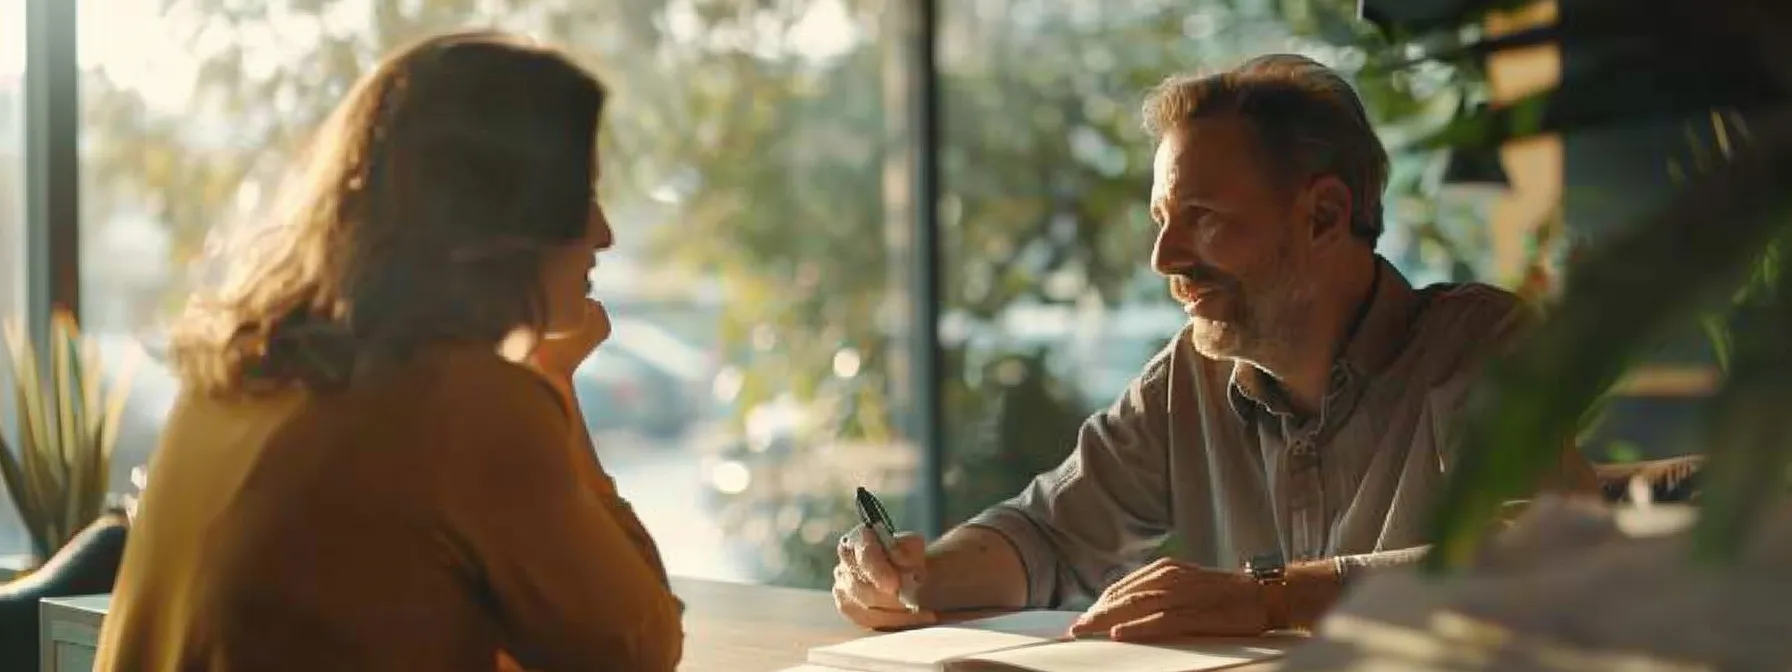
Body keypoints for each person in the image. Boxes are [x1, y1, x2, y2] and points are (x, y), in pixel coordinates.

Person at [832, 54, 1598, 640]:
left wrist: (1269, 596)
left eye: (1200, 217)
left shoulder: (1480, 347)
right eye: (1162, 220)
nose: (1163, 258)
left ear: (1325, 215)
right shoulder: (1189, 377)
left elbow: (1549, 562)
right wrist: (917, 577)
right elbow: (1050, 534)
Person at [94, 31, 683, 671]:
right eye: (581, 196)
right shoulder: (460, 403)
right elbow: (637, 648)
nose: (605, 234)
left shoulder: (238, 372)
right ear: (503, 217)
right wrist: (553, 379)